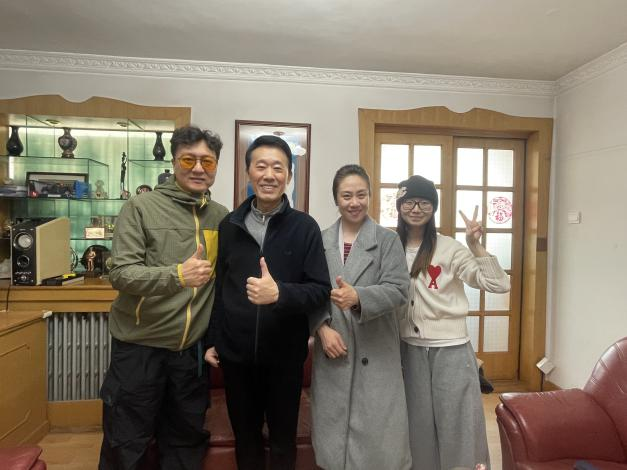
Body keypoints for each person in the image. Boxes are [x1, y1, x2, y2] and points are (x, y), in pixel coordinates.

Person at [99, 126, 228, 470]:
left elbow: (221, 287)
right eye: (188, 159)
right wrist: (178, 276)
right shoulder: (140, 208)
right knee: (127, 445)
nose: (198, 168)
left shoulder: (221, 216)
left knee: (185, 444)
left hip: (190, 356)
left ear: (216, 166)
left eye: (207, 161)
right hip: (140, 349)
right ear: (173, 162)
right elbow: (121, 274)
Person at [204, 135, 331, 470]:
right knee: (246, 442)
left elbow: (320, 290)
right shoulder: (229, 225)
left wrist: (280, 294)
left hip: (285, 360)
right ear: (249, 172)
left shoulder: (305, 227)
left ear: (288, 175)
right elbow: (220, 288)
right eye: (261, 166)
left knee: (282, 443)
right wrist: (213, 339)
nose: (269, 175)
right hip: (236, 359)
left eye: (278, 167)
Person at [396, 175, 510, 470]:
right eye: (409, 202)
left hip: (452, 349)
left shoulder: (450, 248)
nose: (416, 209)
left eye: (424, 202)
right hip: (409, 349)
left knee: (459, 427)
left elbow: (499, 284)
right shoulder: (390, 246)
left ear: (433, 208)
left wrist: (475, 245)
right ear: (399, 205)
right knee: (417, 430)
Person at [309, 164, 411, 470]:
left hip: (376, 355)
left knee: (379, 447)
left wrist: (359, 297)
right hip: (333, 354)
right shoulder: (320, 240)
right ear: (336, 199)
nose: (354, 202)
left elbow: (399, 290)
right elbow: (309, 291)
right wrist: (321, 328)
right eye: (347, 196)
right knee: (333, 445)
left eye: (361, 195)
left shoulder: (387, 240)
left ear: (370, 196)